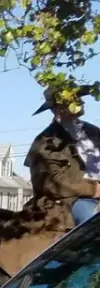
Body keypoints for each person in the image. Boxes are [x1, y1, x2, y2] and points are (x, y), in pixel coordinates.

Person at [25, 84, 100, 226]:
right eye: (74, 99)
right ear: (57, 109)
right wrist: (93, 189)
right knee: (94, 221)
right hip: (72, 200)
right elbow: (51, 183)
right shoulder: (45, 142)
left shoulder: (94, 131)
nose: (82, 102)